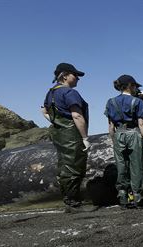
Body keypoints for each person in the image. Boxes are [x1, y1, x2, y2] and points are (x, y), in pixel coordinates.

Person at [42, 62, 95, 212]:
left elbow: (44, 111)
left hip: (59, 134)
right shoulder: (69, 92)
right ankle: (73, 202)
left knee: (64, 165)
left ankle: (68, 199)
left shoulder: (51, 92)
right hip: (71, 134)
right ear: (65, 76)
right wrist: (85, 137)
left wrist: (57, 123)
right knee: (75, 166)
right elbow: (77, 115)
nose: (78, 78)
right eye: (75, 75)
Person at [105, 75, 143, 208]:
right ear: (130, 85)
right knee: (137, 166)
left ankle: (123, 197)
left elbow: (110, 126)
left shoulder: (110, 102)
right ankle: (138, 197)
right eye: (135, 86)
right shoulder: (137, 102)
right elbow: (142, 124)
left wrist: (114, 140)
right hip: (134, 134)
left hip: (119, 134)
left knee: (121, 167)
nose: (136, 88)